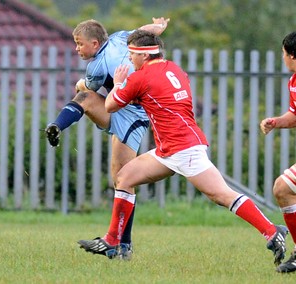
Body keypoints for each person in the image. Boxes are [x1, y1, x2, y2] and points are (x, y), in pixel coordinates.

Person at [78, 29, 289, 267]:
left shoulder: (139, 77)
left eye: (132, 55)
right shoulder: (173, 68)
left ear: (145, 56)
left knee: (221, 195)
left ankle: (272, 231)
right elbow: (161, 96)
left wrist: (117, 84)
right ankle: (113, 241)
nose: (129, 59)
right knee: (124, 177)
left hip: (183, 149)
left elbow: (109, 105)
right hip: (170, 148)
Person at [45, 17, 170, 259]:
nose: (77, 48)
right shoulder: (121, 36)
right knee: (87, 100)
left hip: (133, 114)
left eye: (79, 44)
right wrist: (159, 27)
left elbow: (87, 84)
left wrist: (81, 82)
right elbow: (143, 31)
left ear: (94, 43)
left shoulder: (96, 65)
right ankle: (56, 126)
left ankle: (124, 245)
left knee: (123, 178)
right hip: (118, 106)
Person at [260, 31, 296, 273]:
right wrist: (276, 121)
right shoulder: (293, 82)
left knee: (283, 187)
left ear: (292, 56)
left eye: (283, 54)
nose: (282, 58)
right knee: (283, 189)